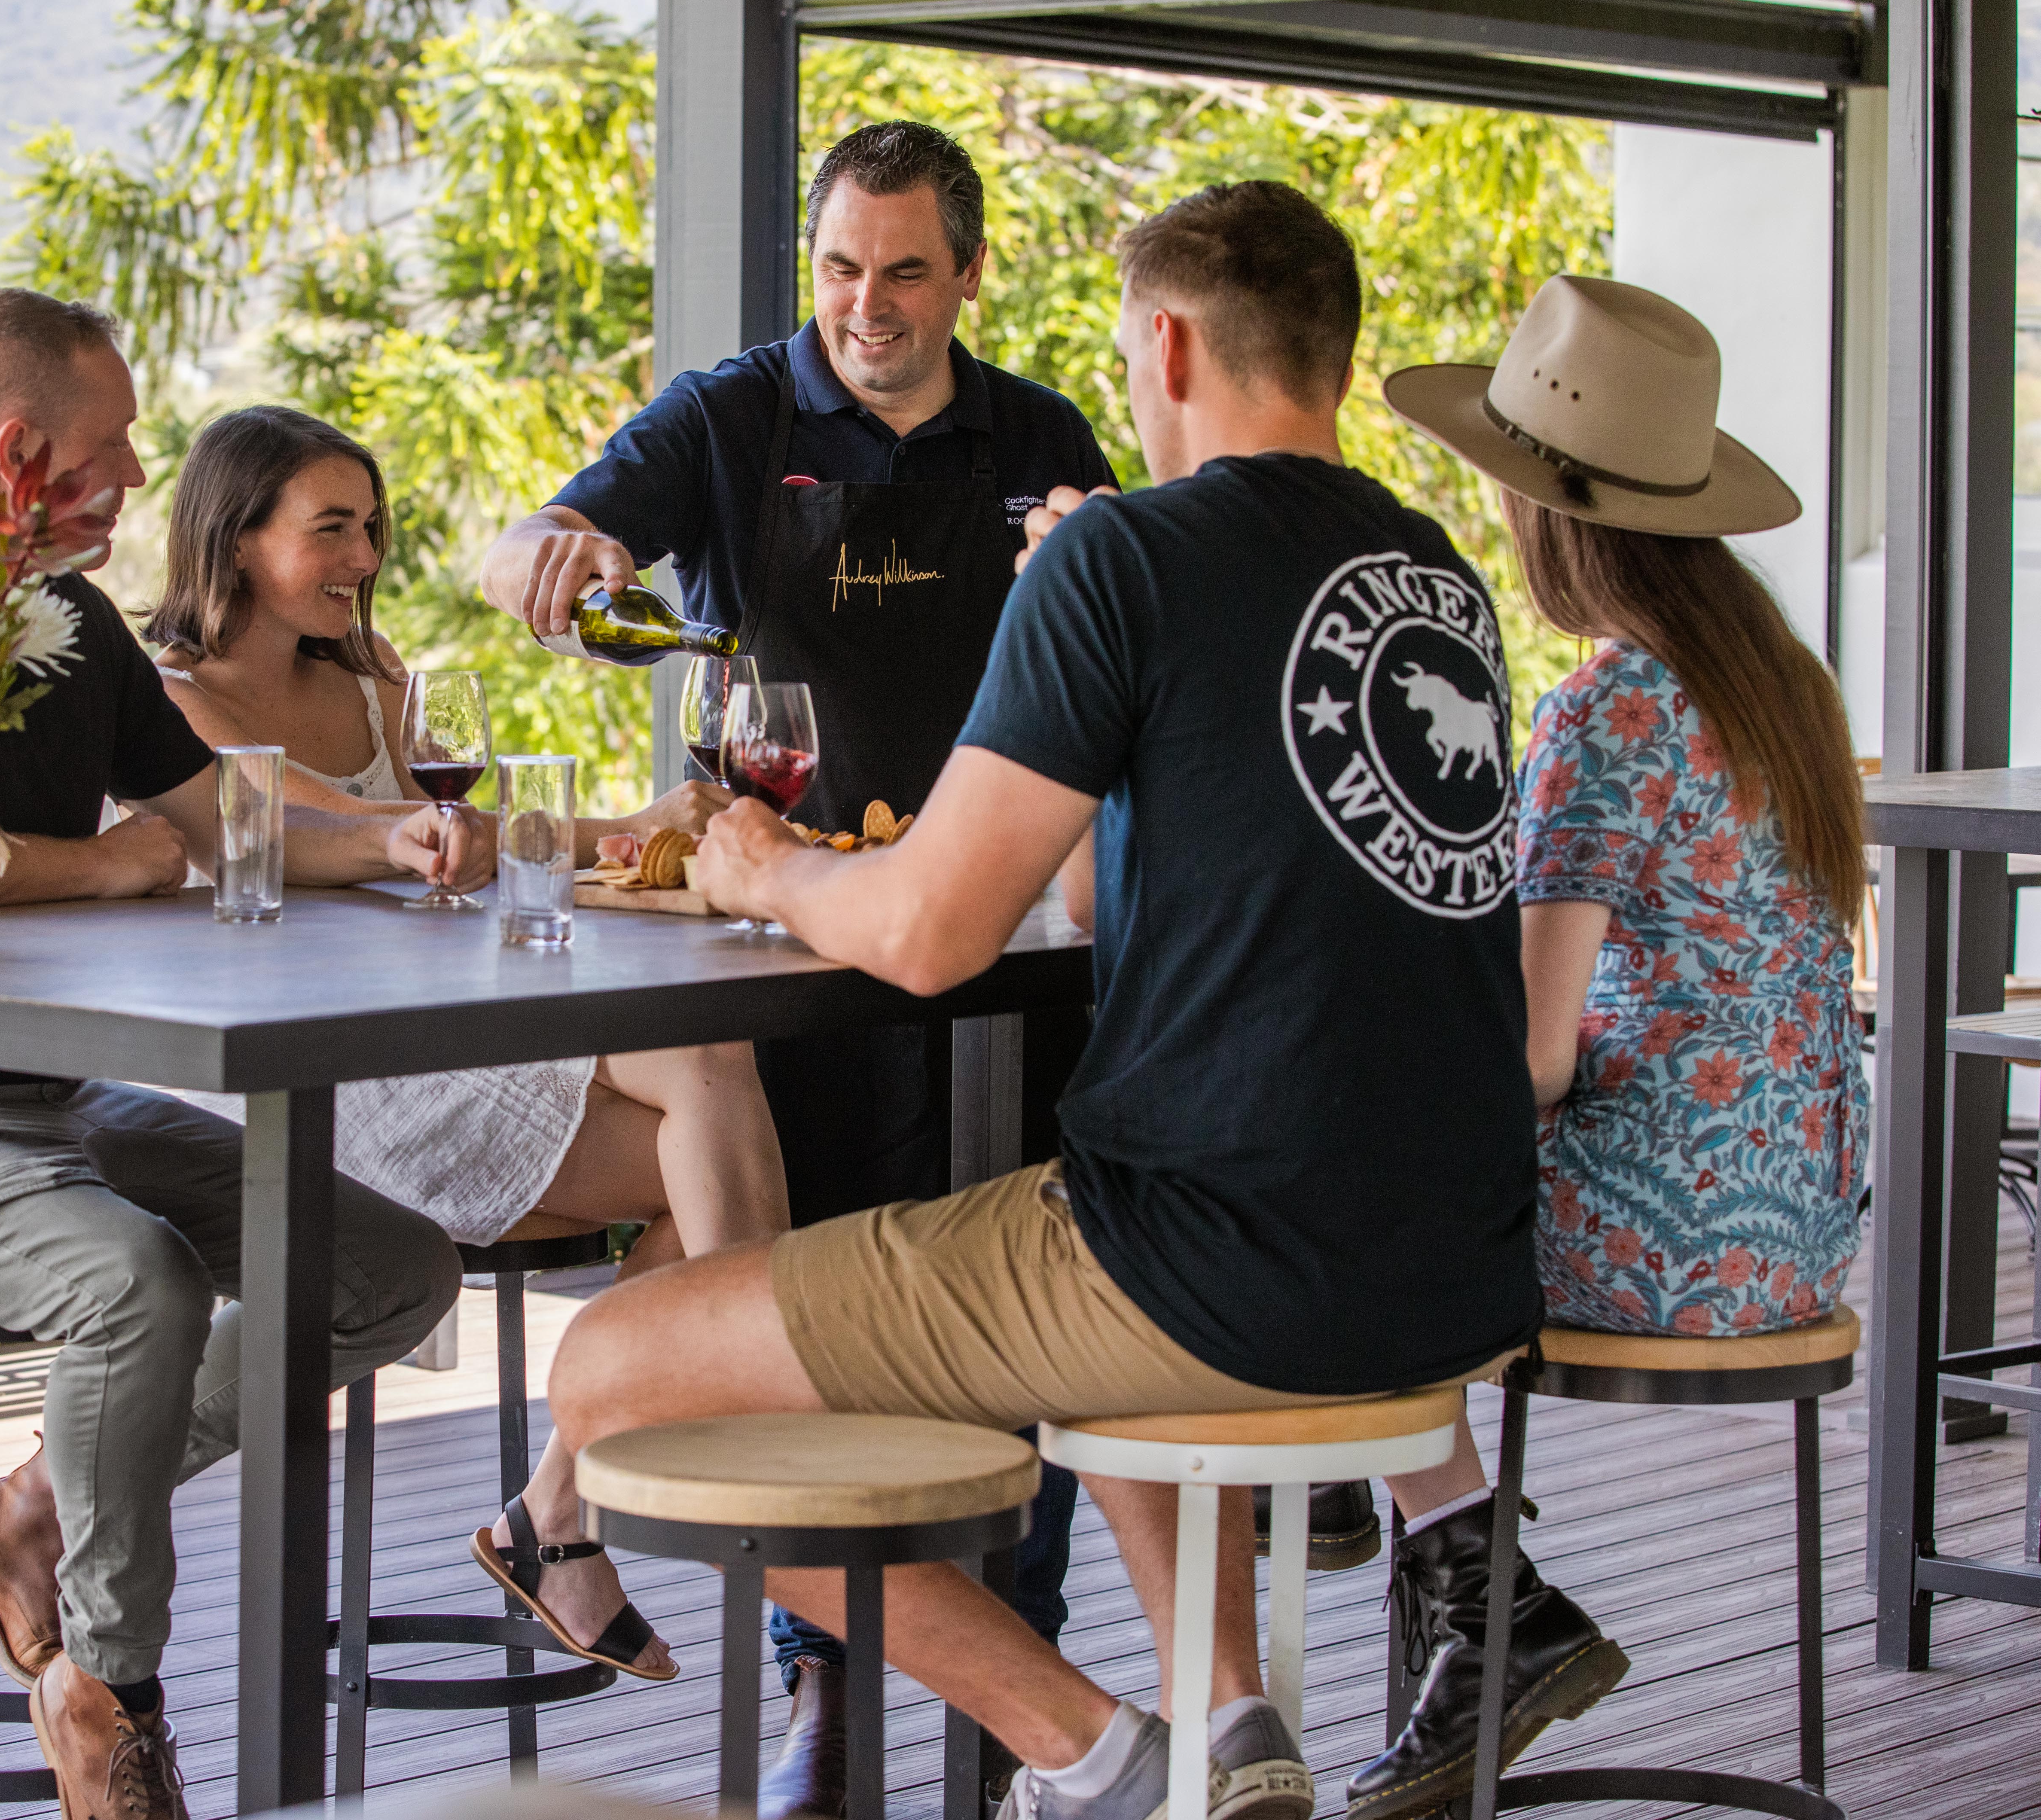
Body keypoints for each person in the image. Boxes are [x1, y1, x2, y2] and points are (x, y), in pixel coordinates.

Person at [546, 179, 1542, 1820]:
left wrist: (757, 872)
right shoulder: (1428, 570)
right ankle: (1232, 1739)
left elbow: (935, 931)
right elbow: (1094, 889)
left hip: (1211, 1259)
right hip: (1453, 1265)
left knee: (607, 1372)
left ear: (1163, 342)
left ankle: (1089, 1752)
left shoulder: (1127, 553)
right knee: (1082, 1227)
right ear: (1335, 358)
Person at [0, 289, 466, 1820]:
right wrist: (98, 868)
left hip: (45, 1091)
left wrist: (405, 831)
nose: (136, 477)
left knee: (383, 1267)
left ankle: (29, 1511)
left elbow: (230, 823)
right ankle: (113, 1702)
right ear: (19, 448)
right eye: (113, 448)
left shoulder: (79, 628)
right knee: (137, 1281)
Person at [478, 116, 1150, 1813]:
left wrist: (1094, 552)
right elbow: (528, 550)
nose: (864, 303)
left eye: (904, 270)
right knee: (803, 1326)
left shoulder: (1043, 433)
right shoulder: (732, 414)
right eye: (841, 267)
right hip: (786, 945)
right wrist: (555, 560)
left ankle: (1011, 1695)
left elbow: (1140, 658)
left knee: (1014, 1331)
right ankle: (827, 1695)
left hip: (1000, 950)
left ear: (968, 275)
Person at [147, 401, 795, 1681]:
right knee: (707, 1097)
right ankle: (736, 1445)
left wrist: (646, 823)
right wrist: (622, 818)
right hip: (301, 1085)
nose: (364, 556)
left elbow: (481, 842)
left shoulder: (383, 687)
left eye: (371, 528)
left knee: (710, 1084)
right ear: (232, 541)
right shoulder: (171, 705)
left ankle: (562, 1504)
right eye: (331, 528)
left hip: (447, 1037)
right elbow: (364, 830)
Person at [1337, 272, 1868, 1819]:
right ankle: (1417, 1561)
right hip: (1793, 1230)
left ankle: (1469, 1593)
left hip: (1659, 1244)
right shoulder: (1782, 688)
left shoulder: (1607, 714)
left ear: (1553, 517)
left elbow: (1535, 1062)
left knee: (1338, 1210)